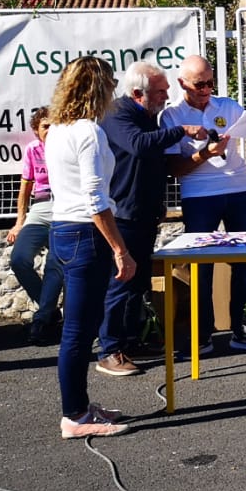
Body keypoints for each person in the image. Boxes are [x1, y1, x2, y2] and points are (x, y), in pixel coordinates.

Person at [162, 55, 246, 353]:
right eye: (199, 84)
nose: (206, 89)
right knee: (201, 266)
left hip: (240, 189)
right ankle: (202, 335)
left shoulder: (227, 105)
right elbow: (174, 169)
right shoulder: (172, 116)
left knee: (244, 263)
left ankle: (243, 331)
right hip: (198, 194)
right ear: (182, 83)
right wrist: (205, 154)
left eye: (210, 82)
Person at [47, 56, 136, 437]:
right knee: (79, 332)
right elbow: (95, 198)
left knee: (78, 329)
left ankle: (80, 406)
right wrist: (120, 248)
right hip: (85, 232)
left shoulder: (58, 129)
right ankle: (75, 416)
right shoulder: (88, 132)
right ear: (100, 88)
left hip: (64, 229)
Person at [99, 61, 206, 375]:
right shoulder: (118, 114)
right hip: (123, 214)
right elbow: (138, 146)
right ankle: (109, 350)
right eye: (160, 91)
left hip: (144, 212)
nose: (167, 95)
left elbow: (154, 163)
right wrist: (181, 130)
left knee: (138, 282)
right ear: (137, 93)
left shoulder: (149, 117)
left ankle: (131, 339)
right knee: (120, 282)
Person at [7, 106, 65, 345]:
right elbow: (26, 187)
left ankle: (41, 320)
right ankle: (50, 311)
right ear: (36, 130)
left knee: (55, 263)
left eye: (54, 125)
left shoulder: (65, 148)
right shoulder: (32, 150)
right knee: (19, 259)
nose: (50, 130)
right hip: (40, 209)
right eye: (45, 126)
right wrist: (19, 222)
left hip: (63, 207)